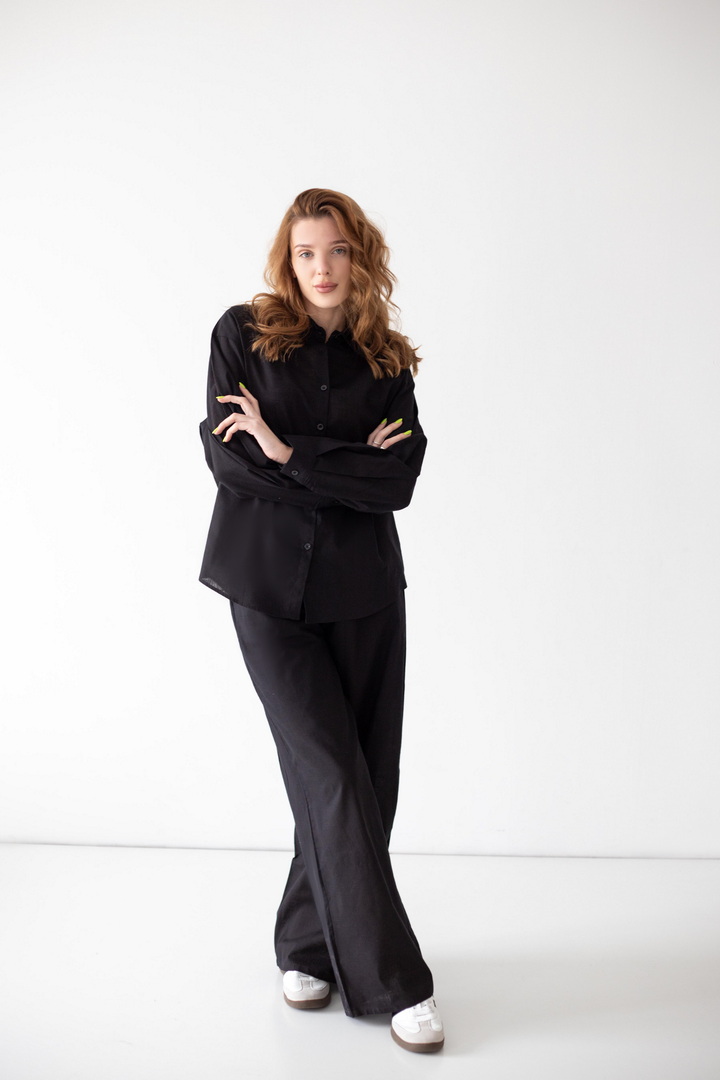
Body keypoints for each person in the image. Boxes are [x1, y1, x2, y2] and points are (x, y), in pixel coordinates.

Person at [198, 188, 444, 1053]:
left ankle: (305, 944)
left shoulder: (388, 362)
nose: (322, 267)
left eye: (337, 250)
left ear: (358, 256)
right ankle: (396, 984)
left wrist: (288, 450)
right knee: (333, 776)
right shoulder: (242, 335)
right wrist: (336, 467)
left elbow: (398, 483)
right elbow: (230, 464)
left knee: (369, 781)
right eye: (306, 252)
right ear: (287, 259)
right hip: (267, 592)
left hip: (365, 592)